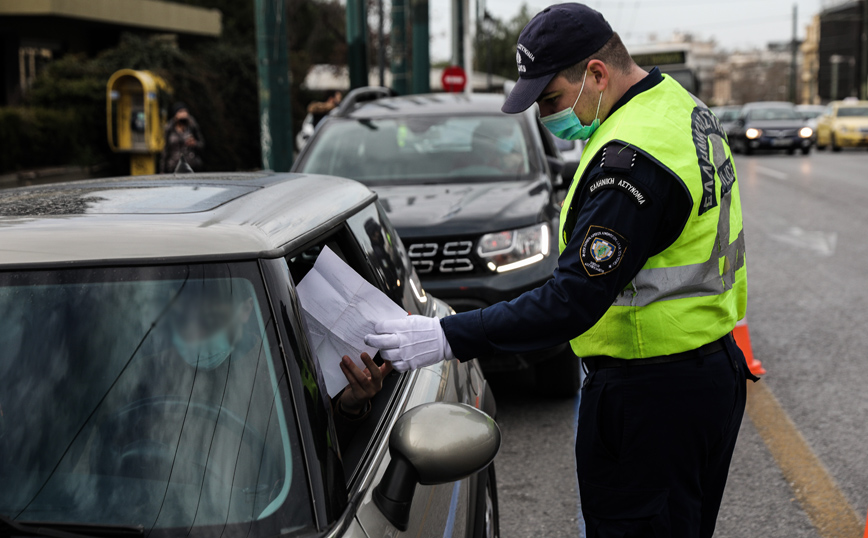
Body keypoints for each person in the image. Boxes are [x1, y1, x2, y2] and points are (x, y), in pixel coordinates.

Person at [364, 3, 758, 537]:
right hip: (702, 375)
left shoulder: (631, 162)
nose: (546, 115)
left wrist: (445, 335)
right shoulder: (675, 106)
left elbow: (570, 300)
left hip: (651, 396)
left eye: (550, 99)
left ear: (596, 73)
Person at [161, 102, 205, 173]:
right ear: (175, 115)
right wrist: (163, 170)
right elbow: (166, 150)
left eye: (185, 111)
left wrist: (194, 143)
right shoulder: (169, 129)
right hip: (173, 167)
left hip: (191, 166)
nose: (183, 114)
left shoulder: (192, 127)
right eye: (180, 112)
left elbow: (201, 145)